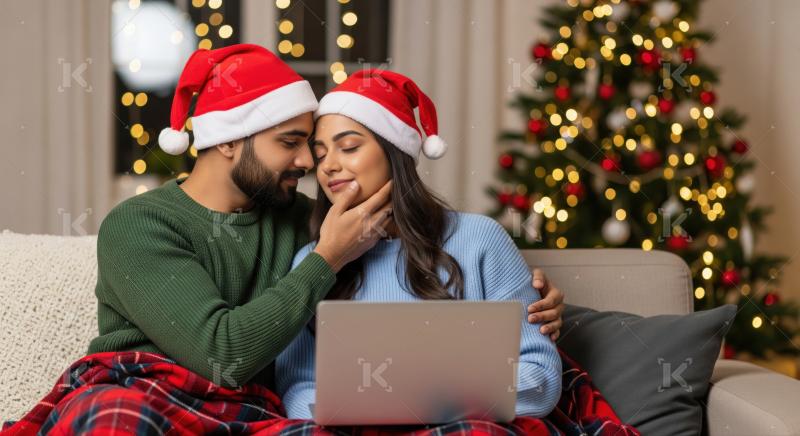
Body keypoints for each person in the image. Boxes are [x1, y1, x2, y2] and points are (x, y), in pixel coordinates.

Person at [1, 45, 566, 434]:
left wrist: (534, 297)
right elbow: (224, 355)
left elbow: (406, 242)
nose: (309, 165)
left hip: (248, 408)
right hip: (146, 389)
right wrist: (326, 257)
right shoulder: (142, 226)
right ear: (229, 140)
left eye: (322, 147)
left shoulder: (307, 218)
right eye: (295, 144)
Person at [276, 69, 561, 420]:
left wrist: (425, 404)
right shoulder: (313, 261)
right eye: (320, 154)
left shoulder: (480, 240)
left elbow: (541, 377)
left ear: (395, 152)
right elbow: (298, 387)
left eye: (348, 147)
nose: (329, 166)